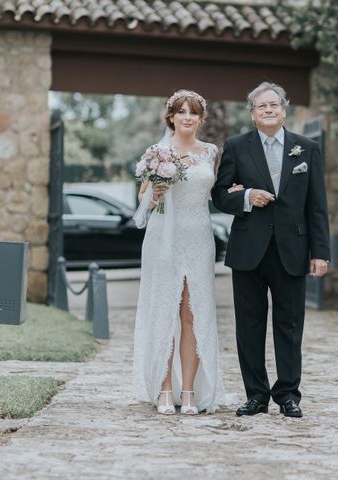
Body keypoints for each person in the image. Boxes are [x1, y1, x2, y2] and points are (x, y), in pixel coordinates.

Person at [211, 82, 330, 418]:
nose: (268, 109)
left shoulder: (307, 149)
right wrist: (247, 197)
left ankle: (288, 394)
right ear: (252, 114)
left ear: (284, 110)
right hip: (249, 248)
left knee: (290, 325)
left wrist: (320, 252)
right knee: (248, 325)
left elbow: (317, 205)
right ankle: (256, 395)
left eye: (273, 104)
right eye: (261, 106)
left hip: (293, 249)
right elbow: (220, 195)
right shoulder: (236, 146)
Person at [132, 90, 238, 415]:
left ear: (201, 119)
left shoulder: (210, 152)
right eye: (182, 112)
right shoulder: (157, 152)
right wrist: (155, 192)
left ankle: (189, 390)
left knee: (192, 315)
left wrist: (232, 191)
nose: (187, 118)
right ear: (172, 117)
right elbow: (143, 200)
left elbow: (214, 191)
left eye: (193, 113)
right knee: (164, 308)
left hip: (199, 238)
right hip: (163, 237)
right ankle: (165, 389)